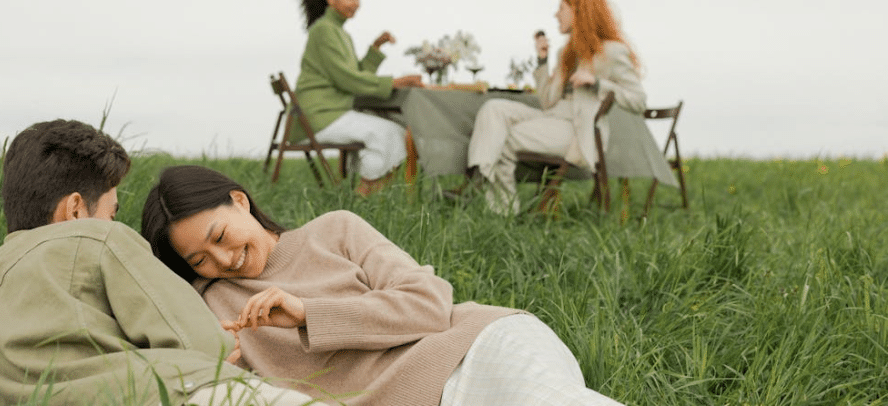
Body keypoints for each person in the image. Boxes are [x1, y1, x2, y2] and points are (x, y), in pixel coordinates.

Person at [140, 165, 625, 406]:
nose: (224, 260)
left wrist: (309, 313)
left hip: (475, 348)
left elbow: (431, 304)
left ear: (240, 202)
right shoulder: (211, 301)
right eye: (201, 260)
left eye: (220, 237)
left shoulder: (336, 229)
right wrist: (218, 359)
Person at [0, 119, 315, 406]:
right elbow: (201, 345)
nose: (114, 224)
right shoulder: (98, 238)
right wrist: (218, 340)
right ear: (77, 210)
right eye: (112, 213)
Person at [467, 0, 647, 215]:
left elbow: (638, 100)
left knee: (503, 137)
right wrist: (542, 61)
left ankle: (498, 206)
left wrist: (597, 83)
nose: (555, 14)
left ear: (579, 12)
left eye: (561, 9)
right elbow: (547, 102)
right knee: (493, 108)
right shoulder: (566, 51)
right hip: (554, 117)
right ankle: (480, 176)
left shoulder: (611, 51)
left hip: (578, 130)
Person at [294, 0, 423, 194]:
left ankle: (365, 190)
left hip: (330, 111)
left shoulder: (338, 32)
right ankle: (364, 191)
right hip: (320, 115)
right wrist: (396, 82)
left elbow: (354, 73)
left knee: (393, 132)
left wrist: (376, 48)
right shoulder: (324, 31)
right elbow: (347, 79)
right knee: (392, 133)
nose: (357, 3)